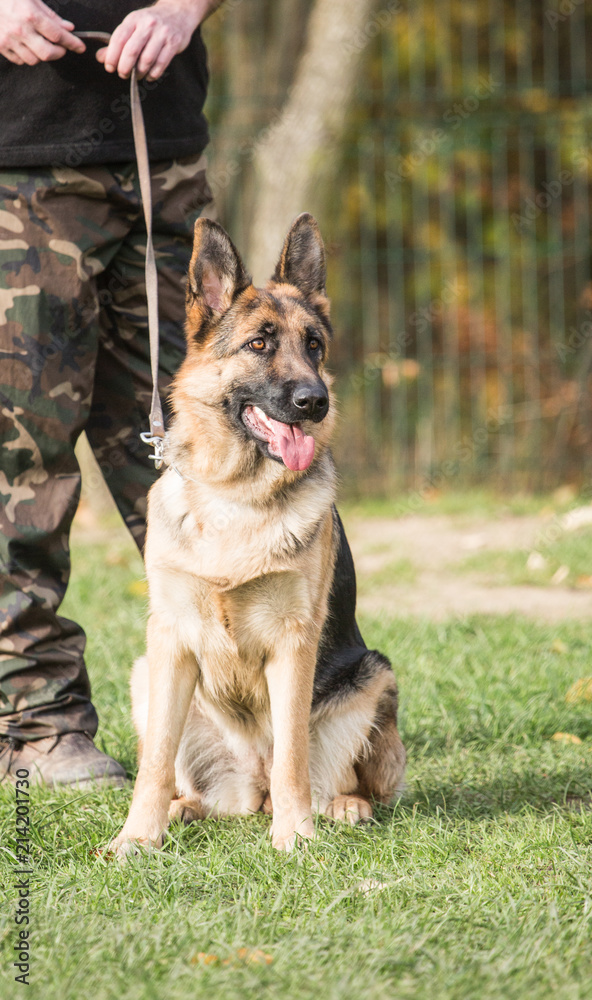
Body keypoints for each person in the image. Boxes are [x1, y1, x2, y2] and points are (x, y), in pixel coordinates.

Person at [0, 0, 222, 786]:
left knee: (207, 441)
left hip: (162, 154)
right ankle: (35, 724)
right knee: (20, 453)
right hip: (16, 162)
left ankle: (272, 709)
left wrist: (180, 9)